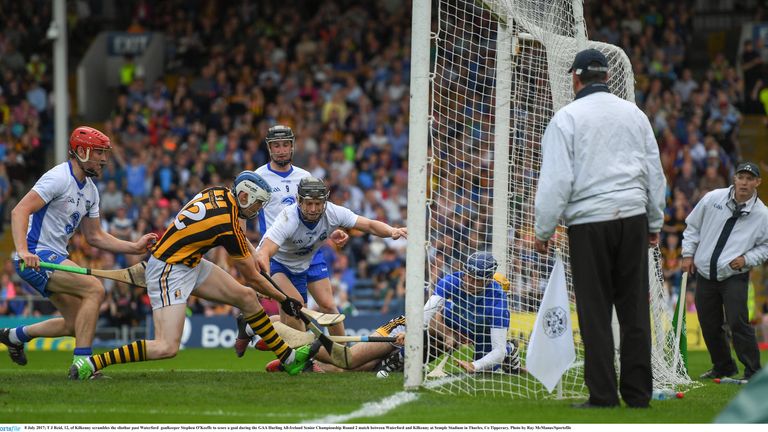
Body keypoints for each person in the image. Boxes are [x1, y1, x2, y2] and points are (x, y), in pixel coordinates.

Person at [68, 171, 313, 379]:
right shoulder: (225, 223)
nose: (258, 209)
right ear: (244, 196)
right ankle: (90, 364)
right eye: (258, 203)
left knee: (247, 297)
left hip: (190, 261)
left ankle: (288, 358)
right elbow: (251, 275)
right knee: (166, 347)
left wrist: (255, 252)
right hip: (169, 270)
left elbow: (239, 233)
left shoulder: (218, 192)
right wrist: (284, 300)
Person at [533, 48, 666, 408]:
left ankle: (603, 395)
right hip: (633, 218)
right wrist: (654, 221)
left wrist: (543, 229)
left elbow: (556, 181)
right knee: (635, 311)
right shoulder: (635, 115)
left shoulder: (566, 118)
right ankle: (639, 395)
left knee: (595, 313)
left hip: (589, 222)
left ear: (575, 78)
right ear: (607, 77)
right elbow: (655, 173)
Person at [0, 126, 158, 375]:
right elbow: (19, 211)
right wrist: (22, 251)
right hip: (35, 255)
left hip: (55, 258)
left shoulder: (91, 191)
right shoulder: (58, 177)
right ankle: (83, 364)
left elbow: (94, 236)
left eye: (104, 153)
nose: (104, 159)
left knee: (76, 324)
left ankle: (15, 336)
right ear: (82, 152)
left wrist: (134, 247)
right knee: (94, 289)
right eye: (99, 153)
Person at [235, 124, 348, 357]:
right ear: (269, 148)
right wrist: (244, 244)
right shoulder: (257, 177)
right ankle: (296, 357)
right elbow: (242, 212)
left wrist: (331, 231)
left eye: (285, 144)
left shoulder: (305, 177)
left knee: (328, 305)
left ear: (292, 146)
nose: (281, 150)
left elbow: (318, 212)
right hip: (279, 255)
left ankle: (345, 355)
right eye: (276, 145)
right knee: (295, 311)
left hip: (309, 251)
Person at [253, 176, 406, 339]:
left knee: (329, 307)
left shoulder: (333, 212)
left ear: (324, 202)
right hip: (279, 263)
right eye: (308, 203)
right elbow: (265, 252)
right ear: (299, 201)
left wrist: (391, 231)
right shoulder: (288, 219)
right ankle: (302, 358)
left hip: (308, 259)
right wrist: (263, 280)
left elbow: (368, 225)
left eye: (318, 204)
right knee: (295, 309)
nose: (313, 209)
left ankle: (342, 357)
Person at [681, 161, 768, 381]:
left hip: (734, 276)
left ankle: (753, 371)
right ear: (734, 179)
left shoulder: (763, 214)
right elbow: (693, 226)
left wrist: (747, 259)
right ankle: (723, 366)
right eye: (741, 177)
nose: (745, 182)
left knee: (738, 322)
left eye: (750, 178)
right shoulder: (713, 198)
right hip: (705, 274)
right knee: (709, 324)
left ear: (758, 182)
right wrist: (688, 255)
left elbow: (766, 246)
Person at [423, 252, 516, 374]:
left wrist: (474, 366)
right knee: (417, 336)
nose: (469, 282)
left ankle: (510, 349)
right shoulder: (452, 281)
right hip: (456, 320)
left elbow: (498, 351)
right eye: (468, 276)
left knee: (486, 371)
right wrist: (412, 333)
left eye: (476, 280)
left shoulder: (498, 301)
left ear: (487, 280)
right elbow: (427, 313)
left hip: (481, 331)